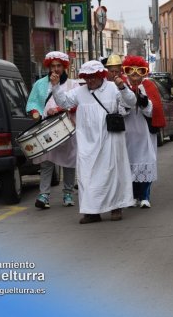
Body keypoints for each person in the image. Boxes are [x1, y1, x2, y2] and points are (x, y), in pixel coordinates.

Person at [50, 60, 136, 224]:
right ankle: (92, 211)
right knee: (87, 175)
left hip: (110, 139)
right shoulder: (80, 92)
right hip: (87, 141)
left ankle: (116, 206)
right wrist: (55, 86)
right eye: (87, 77)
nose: (90, 81)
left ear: (100, 75)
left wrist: (123, 87)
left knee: (112, 172)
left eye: (93, 77)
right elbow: (64, 102)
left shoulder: (112, 88)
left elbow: (131, 102)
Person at [26, 51, 78, 209]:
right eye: (53, 66)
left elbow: (76, 103)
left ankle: (68, 193)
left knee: (69, 161)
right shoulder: (40, 84)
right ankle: (44, 195)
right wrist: (35, 112)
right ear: (49, 67)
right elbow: (33, 102)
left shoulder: (72, 84)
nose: (55, 69)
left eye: (59, 66)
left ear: (64, 67)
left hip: (68, 128)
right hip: (47, 128)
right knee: (46, 161)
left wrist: (58, 109)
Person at [119, 55, 165, 208]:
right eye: (130, 71)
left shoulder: (149, 86)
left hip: (145, 132)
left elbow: (153, 111)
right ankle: (132, 195)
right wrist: (127, 105)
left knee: (145, 161)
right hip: (127, 132)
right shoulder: (121, 87)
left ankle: (145, 196)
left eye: (139, 71)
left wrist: (145, 103)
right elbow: (118, 110)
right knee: (129, 163)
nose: (134, 74)